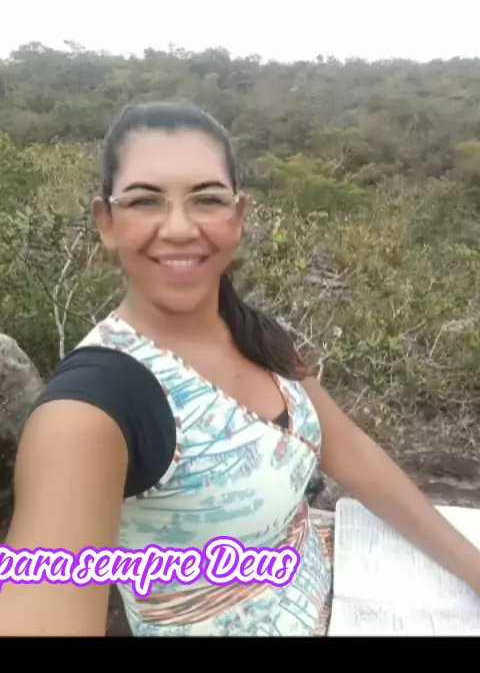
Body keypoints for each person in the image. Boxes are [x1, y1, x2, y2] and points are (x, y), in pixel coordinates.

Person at [1, 101, 479, 637]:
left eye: (207, 199)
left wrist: (473, 569)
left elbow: (350, 450)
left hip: (348, 598)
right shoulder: (91, 410)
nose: (179, 228)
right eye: (144, 200)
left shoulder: (254, 332)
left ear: (239, 215)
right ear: (106, 223)